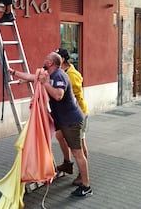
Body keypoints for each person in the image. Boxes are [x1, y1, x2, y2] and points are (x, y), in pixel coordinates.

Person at [8, 52, 92, 197]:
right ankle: (66, 165)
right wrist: (14, 72)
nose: (44, 59)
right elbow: (31, 77)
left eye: (47, 59)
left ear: (52, 63)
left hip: (71, 120)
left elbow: (58, 95)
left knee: (77, 152)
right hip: (62, 119)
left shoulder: (59, 76)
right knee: (60, 137)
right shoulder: (48, 74)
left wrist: (45, 83)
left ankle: (86, 186)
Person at [55, 48, 89, 186]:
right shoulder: (64, 72)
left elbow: (74, 99)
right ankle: (67, 163)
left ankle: (83, 176)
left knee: (79, 146)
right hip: (68, 115)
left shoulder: (72, 75)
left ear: (62, 59)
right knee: (59, 135)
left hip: (78, 115)